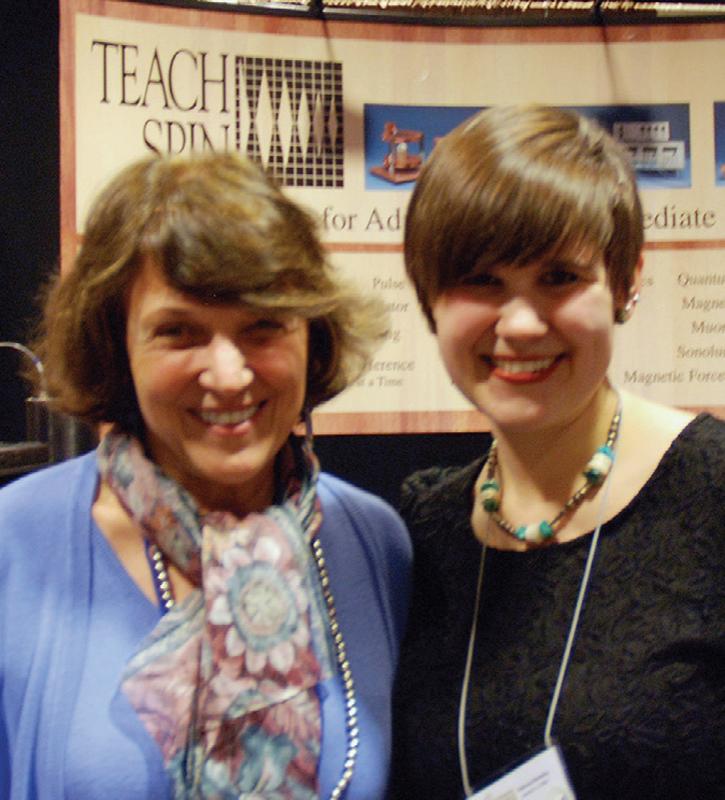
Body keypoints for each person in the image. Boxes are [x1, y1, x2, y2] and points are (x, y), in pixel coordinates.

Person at [0, 152, 411, 799]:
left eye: (263, 327)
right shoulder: (14, 543)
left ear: (314, 334)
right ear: (116, 344)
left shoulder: (372, 542)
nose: (228, 375)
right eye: (179, 332)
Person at [389, 104, 724, 799]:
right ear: (429, 296)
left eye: (559, 277)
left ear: (625, 281)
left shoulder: (712, 489)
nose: (518, 323)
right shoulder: (426, 529)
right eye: (481, 281)